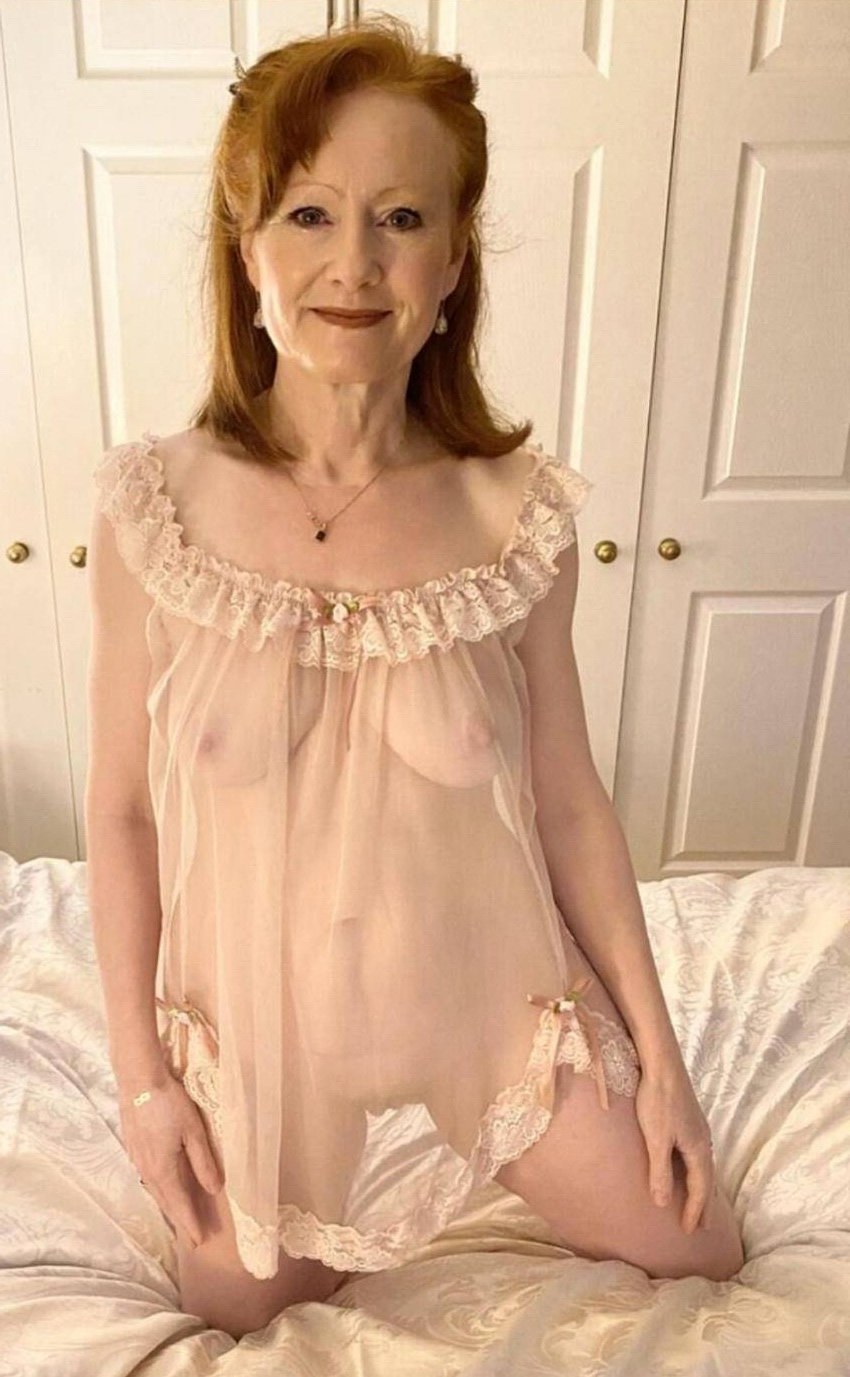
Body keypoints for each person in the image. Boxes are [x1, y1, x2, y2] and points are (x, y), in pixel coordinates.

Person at [84, 15, 744, 1342]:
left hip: (489, 1015)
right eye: (309, 214)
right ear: (246, 247)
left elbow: (569, 803)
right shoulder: (154, 511)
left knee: (701, 1248)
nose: (354, 263)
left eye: (400, 217)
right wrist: (145, 1081)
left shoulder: (515, 518)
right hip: (261, 1049)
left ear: (452, 259)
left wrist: (661, 1060)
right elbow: (122, 812)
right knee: (229, 1311)